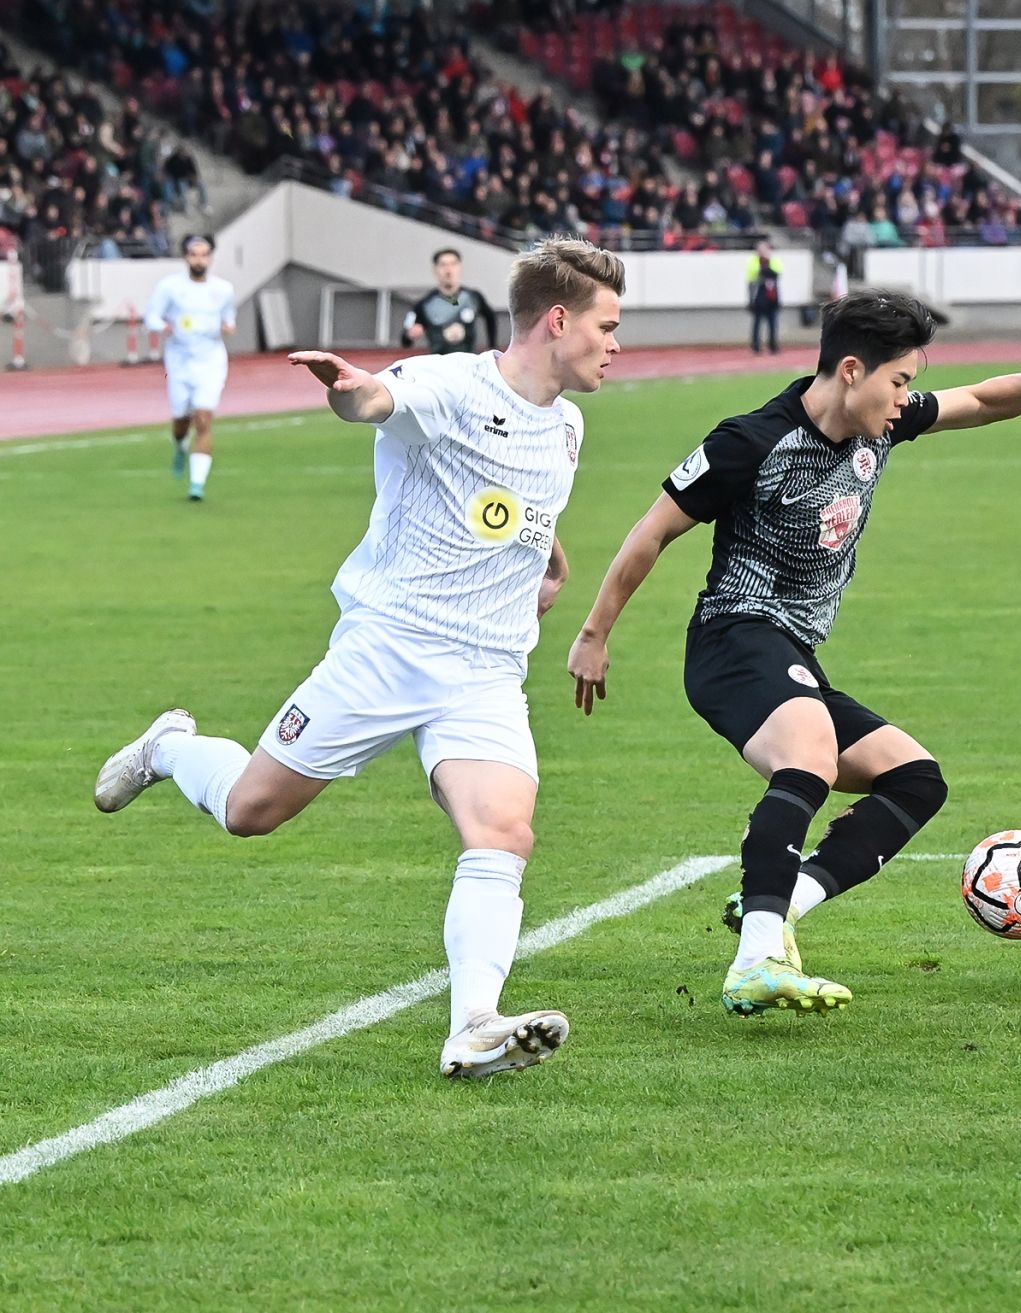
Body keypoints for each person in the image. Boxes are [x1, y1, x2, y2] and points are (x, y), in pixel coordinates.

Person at [94, 238, 627, 1080]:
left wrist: (550, 562)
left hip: (487, 670)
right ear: (558, 320)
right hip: (390, 646)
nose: (616, 343)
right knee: (250, 809)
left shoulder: (567, 424)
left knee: (503, 831)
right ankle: (169, 747)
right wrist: (352, 391)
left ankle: (473, 1024)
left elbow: (521, 501)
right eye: (607, 325)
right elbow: (380, 399)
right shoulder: (452, 383)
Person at [565, 291, 1021, 1017]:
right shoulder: (750, 441)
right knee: (809, 755)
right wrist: (594, 634)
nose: (905, 398)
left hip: (792, 653)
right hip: (733, 637)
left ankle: (780, 904)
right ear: (851, 370)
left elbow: (977, 400)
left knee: (915, 780)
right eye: (898, 381)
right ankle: (755, 961)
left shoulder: (881, 425)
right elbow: (651, 531)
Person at [143, 234, 235, 501]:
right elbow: (151, 316)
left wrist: (229, 326)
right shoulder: (170, 287)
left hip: (211, 360)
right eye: (194, 255)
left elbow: (229, 317)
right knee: (181, 421)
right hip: (179, 361)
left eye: (204, 255)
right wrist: (164, 326)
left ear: (210, 257)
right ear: (186, 257)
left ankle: (197, 484)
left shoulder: (223, 289)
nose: (199, 260)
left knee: (203, 418)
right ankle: (180, 446)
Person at [401, 247, 500, 355]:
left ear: (460, 267)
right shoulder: (424, 305)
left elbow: (491, 317)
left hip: (469, 361)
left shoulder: (473, 297)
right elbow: (405, 338)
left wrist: (492, 346)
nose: (448, 270)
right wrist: (409, 335)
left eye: (453, 264)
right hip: (440, 362)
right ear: (435, 269)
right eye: (443, 265)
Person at [746, 239, 782, 354]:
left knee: (773, 323)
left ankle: (773, 345)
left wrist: (766, 268)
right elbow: (753, 276)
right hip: (759, 296)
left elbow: (777, 273)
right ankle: (756, 345)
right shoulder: (753, 261)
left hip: (772, 296)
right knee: (757, 323)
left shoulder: (773, 260)